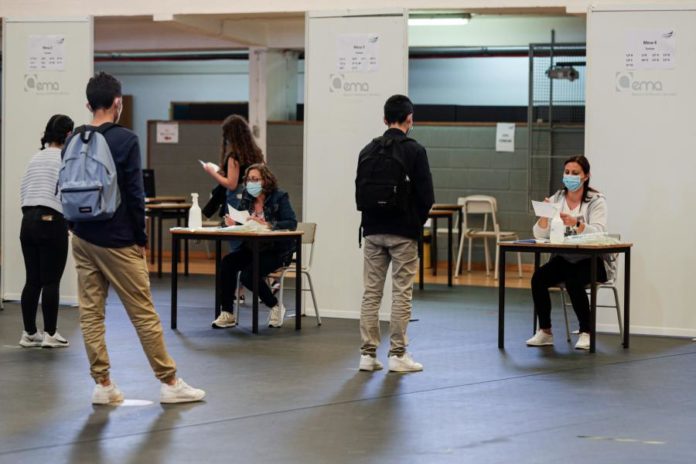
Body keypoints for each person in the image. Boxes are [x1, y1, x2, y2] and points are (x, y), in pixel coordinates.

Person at [69, 72, 205, 404]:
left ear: (88, 104)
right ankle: (170, 382)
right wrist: (142, 239)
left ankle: (103, 384)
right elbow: (134, 194)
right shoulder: (125, 139)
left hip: (81, 236)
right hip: (118, 239)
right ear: (118, 102)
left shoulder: (73, 138)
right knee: (142, 312)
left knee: (91, 313)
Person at [356, 95, 434, 373]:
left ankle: (367, 355)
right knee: (401, 292)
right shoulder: (415, 150)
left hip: (372, 230)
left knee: (371, 292)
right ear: (409, 119)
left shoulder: (367, 150)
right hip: (403, 232)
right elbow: (427, 196)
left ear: (384, 118)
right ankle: (398, 354)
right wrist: (415, 223)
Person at [527, 155, 614, 350]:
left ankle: (586, 332)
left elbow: (600, 233)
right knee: (538, 278)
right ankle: (545, 331)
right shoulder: (557, 198)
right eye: (567, 172)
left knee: (574, 282)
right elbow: (539, 234)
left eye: (575, 173)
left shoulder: (596, 201)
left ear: (586, 176)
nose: (570, 176)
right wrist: (543, 217)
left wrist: (577, 224)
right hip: (564, 258)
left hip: (591, 260)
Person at [212, 163, 297, 329]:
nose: (251, 183)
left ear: (265, 180)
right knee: (228, 263)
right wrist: (232, 222)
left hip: (275, 250)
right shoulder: (247, 197)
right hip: (252, 247)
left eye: (256, 179)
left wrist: (268, 224)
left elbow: (291, 222)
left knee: (248, 275)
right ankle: (227, 313)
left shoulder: (279, 197)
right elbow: (242, 220)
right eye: (249, 179)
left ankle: (275, 306)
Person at [18, 114, 74, 348]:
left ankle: (30, 333)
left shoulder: (35, 157)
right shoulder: (65, 158)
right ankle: (50, 334)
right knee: (51, 281)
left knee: (32, 280)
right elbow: (69, 192)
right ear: (68, 134)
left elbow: (24, 191)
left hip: (28, 222)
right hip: (51, 220)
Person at [202, 115, 265, 303]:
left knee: (237, 249)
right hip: (252, 201)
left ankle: (245, 289)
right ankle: (245, 288)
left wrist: (213, 172)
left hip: (235, 206)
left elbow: (231, 183)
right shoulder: (256, 154)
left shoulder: (234, 156)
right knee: (249, 247)